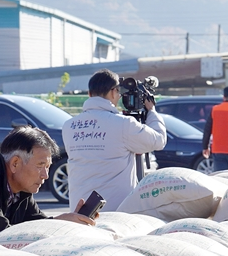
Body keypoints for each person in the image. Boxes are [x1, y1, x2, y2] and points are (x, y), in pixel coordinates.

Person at [63, 69, 168, 208]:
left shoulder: (69, 126)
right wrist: (151, 112)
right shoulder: (124, 124)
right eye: (118, 92)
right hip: (115, 211)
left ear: (89, 94)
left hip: (79, 210)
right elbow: (159, 140)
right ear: (113, 92)